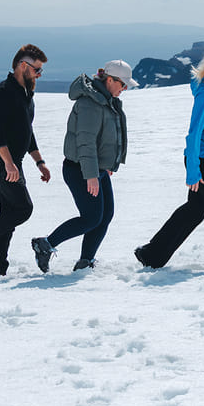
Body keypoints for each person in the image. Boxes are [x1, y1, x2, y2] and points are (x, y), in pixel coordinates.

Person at [134, 41, 204, 271]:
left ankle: (151, 254)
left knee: (194, 211)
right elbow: (194, 135)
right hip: (203, 161)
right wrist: (193, 171)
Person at [31, 60, 136, 273]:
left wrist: (107, 165)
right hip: (80, 169)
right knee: (91, 218)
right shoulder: (90, 103)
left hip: (97, 168)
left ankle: (85, 261)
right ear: (109, 80)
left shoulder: (107, 99)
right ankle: (45, 244)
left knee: (105, 216)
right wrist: (91, 175)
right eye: (122, 84)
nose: (124, 89)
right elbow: (85, 141)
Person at [0, 44, 51, 276]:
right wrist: (8, 163)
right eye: (37, 70)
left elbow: (28, 131)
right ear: (23, 66)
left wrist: (39, 161)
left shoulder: (26, 93)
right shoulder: (3, 91)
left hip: (14, 161)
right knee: (23, 209)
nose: (39, 75)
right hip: (0, 162)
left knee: (9, 213)